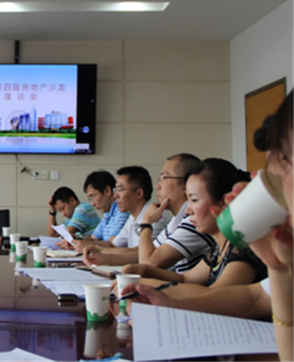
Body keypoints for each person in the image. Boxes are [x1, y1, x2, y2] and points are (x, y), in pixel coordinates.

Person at [122, 91, 293, 361]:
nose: (268, 182)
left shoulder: (239, 249)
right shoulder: (273, 248)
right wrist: (279, 267)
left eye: (283, 166)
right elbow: (257, 297)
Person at [121, 158, 266, 299]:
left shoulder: (242, 248)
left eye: (194, 200)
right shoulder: (219, 247)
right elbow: (185, 279)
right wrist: (146, 270)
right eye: (188, 200)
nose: (188, 210)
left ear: (223, 202)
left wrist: (144, 284)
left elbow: (213, 296)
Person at [138, 153, 214, 273]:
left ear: (185, 184)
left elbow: (148, 264)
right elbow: (150, 254)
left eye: (164, 178)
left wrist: (146, 223)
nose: (157, 186)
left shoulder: (195, 221)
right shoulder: (178, 219)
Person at [81, 166, 170, 266]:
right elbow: (114, 245)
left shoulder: (156, 217)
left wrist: (95, 250)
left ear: (139, 193)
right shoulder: (132, 217)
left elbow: (138, 254)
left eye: (120, 189)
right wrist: (89, 247)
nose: (115, 195)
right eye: (116, 190)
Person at [60, 171, 130, 252]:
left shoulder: (121, 211)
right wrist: (78, 239)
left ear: (107, 191)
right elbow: (92, 238)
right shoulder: (108, 213)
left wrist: (85, 244)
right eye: (90, 199)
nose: (92, 203)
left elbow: (113, 244)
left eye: (93, 196)